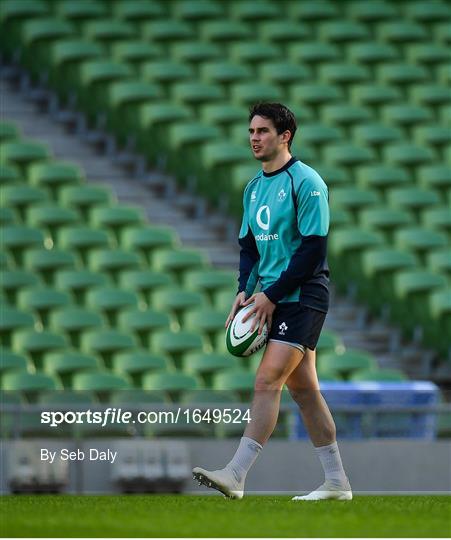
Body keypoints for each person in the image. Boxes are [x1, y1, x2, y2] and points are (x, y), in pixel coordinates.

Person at [193, 102, 352, 501]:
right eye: (251, 132)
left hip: (303, 297)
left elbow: (313, 250)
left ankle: (236, 473)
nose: (254, 138)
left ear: (285, 136)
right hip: (268, 296)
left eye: (262, 131)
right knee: (305, 392)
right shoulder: (253, 187)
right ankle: (337, 481)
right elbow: (248, 247)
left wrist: (271, 295)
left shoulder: (307, 182)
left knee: (267, 381)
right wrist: (245, 289)